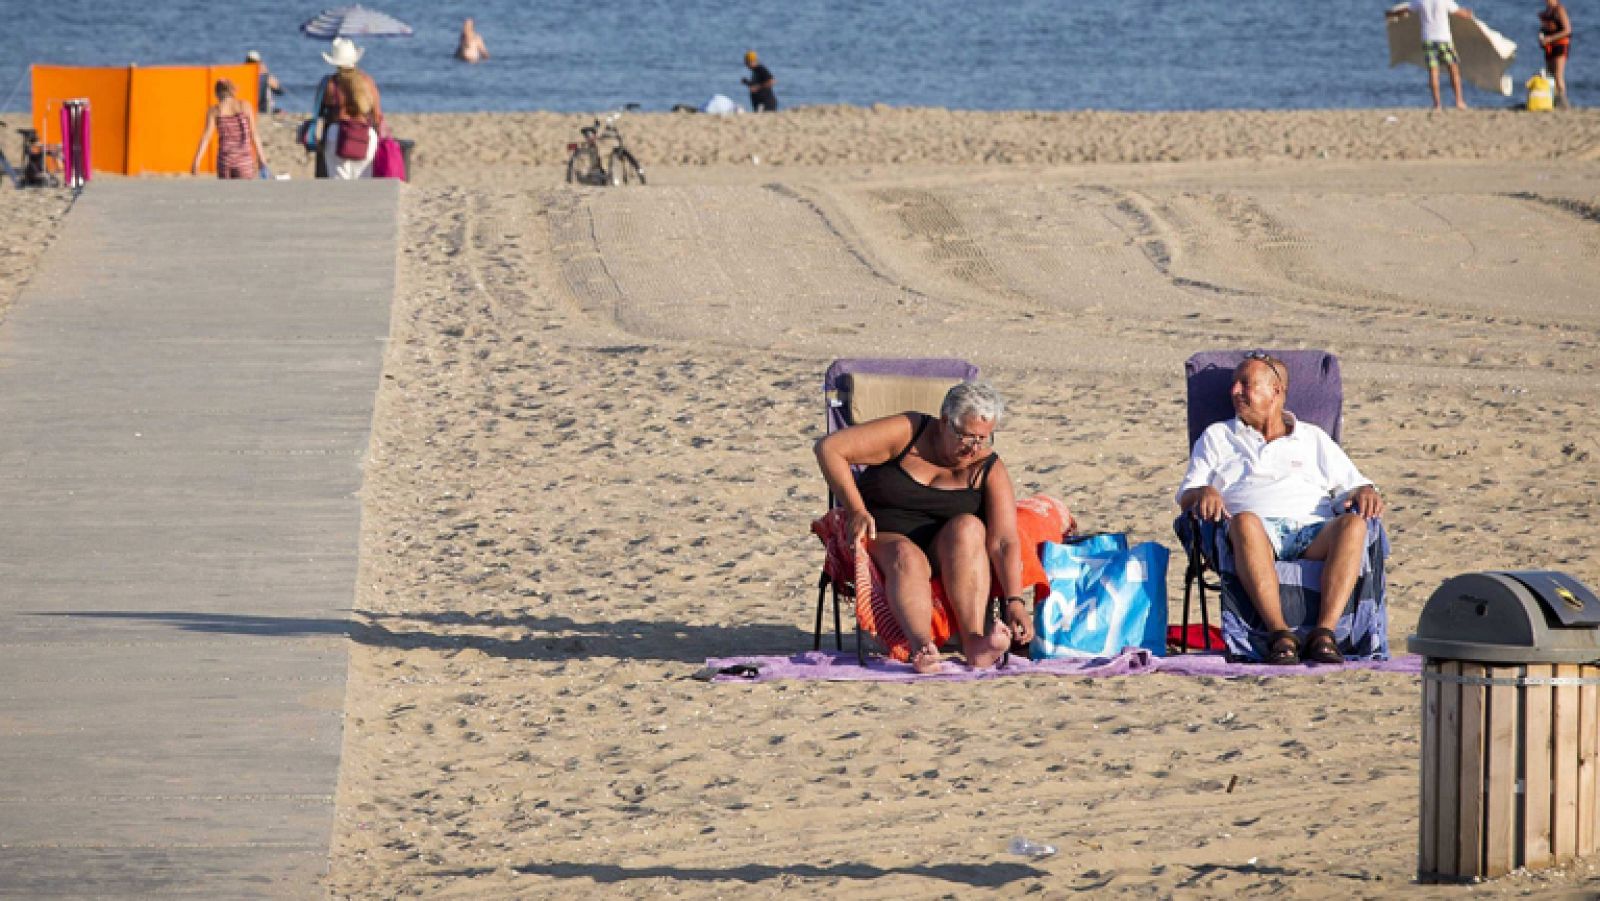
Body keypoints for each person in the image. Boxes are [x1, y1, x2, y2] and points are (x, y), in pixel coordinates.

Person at [1176, 353, 1385, 665]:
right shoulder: (1218, 436)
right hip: (1256, 535)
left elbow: (1355, 485)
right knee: (1245, 521)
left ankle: (1324, 633)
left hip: (1313, 533)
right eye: (1234, 385)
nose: (1234, 392)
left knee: (1354, 525)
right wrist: (1204, 491)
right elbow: (1187, 495)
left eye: (1245, 384)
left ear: (1276, 391)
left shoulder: (1313, 438)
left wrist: (1366, 491)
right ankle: (1279, 634)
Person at [814, 382, 1032, 674]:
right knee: (907, 554)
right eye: (966, 436)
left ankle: (974, 642)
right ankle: (921, 647)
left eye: (983, 438)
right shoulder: (909, 432)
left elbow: (1004, 540)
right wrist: (856, 510)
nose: (974, 448)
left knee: (968, 526)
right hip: (886, 537)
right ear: (944, 421)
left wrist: (1015, 601)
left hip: (949, 552)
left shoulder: (987, 467)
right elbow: (829, 448)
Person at [1388, 0, 1477, 109]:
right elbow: (1461, 14)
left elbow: (1407, 10)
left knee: (1433, 72)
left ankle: (1437, 104)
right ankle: (1459, 101)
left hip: (1428, 39)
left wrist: (1392, 14)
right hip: (1444, 39)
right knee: (1453, 70)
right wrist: (1469, 13)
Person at [317, 38, 383, 179]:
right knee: (364, 185)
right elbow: (377, 116)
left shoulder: (330, 84)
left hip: (337, 134)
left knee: (339, 186)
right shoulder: (368, 82)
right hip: (365, 135)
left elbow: (320, 113)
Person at [190, 78, 267, 179]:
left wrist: (197, 160)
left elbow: (206, 137)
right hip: (244, 160)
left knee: (225, 194)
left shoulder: (214, 110)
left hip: (225, 160)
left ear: (217, 94)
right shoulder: (245, 106)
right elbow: (254, 134)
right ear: (233, 91)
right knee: (245, 193)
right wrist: (261, 158)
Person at [1539, 0, 1573, 108]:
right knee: (1550, 74)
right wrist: (1542, 37)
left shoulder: (1559, 9)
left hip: (1560, 44)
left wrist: (1550, 38)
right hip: (1549, 45)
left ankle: (1563, 101)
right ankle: (1552, 99)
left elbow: (1567, 30)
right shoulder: (1547, 11)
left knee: (1558, 75)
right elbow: (1546, 27)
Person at [245, 51, 283, 115]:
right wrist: (267, 74)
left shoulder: (243, 75)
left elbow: (279, 91)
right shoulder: (265, 77)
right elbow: (280, 91)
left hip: (248, 109)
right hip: (263, 110)